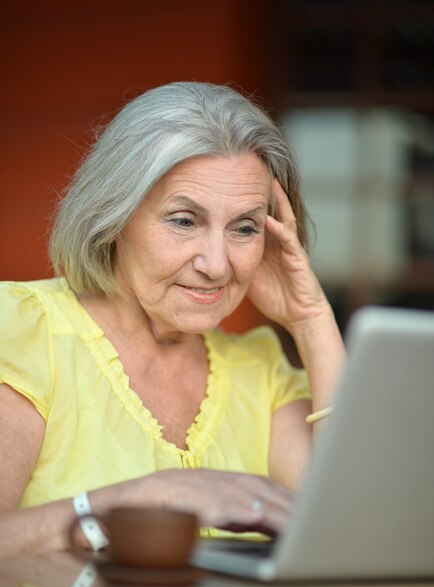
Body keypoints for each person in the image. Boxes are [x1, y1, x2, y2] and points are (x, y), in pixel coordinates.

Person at [0, 82, 345, 558]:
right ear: (113, 215)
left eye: (244, 228)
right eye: (184, 221)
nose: (217, 265)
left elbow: (353, 530)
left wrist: (311, 319)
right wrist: (135, 501)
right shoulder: (22, 331)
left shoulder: (259, 371)